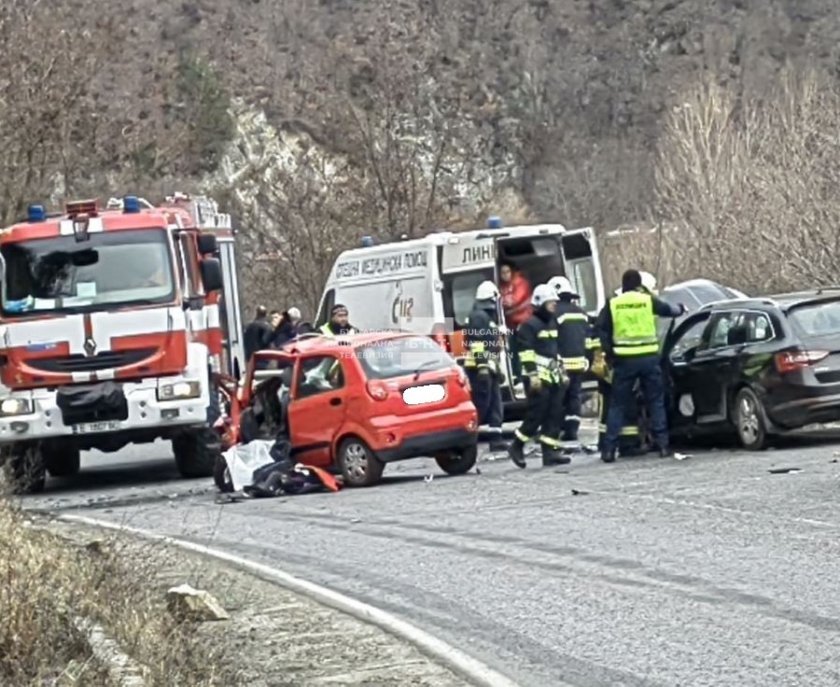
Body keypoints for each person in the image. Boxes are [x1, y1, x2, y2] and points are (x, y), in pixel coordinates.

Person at [596, 269, 685, 462]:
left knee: (617, 404)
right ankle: (663, 446)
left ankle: (609, 450)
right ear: (639, 284)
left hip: (624, 361)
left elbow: (601, 330)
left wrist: (609, 353)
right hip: (649, 359)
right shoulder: (647, 300)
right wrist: (681, 308)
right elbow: (669, 311)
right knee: (656, 402)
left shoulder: (613, 303)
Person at [508, 284, 569, 468]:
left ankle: (549, 453)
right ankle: (516, 446)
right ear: (540, 303)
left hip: (553, 376)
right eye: (551, 303)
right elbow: (525, 353)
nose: (554, 306)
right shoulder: (529, 325)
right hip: (537, 378)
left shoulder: (552, 322)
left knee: (555, 413)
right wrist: (533, 376)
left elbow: (554, 350)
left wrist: (562, 371)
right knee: (537, 414)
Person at [464, 281, 507, 452]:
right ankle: (468, 438)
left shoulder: (487, 317)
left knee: (496, 404)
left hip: (489, 368)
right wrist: (482, 366)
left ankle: (496, 438)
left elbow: (492, 347)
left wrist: (497, 369)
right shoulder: (478, 317)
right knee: (481, 404)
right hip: (479, 369)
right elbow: (477, 344)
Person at [547, 276, 589, 446]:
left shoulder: (555, 314)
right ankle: (572, 430)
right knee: (574, 396)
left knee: (558, 397)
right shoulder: (581, 313)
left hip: (561, 364)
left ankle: (556, 430)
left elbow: (550, 338)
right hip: (579, 362)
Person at [498, 260, 533, 385]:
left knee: (526, 350)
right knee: (512, 351)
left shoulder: (520, 282)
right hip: (510, 324)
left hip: (524, 322)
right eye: (502, 272)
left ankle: (529, 374)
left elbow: (514, 300)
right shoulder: (502, 286)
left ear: (512, 272)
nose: (505, 275)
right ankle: (517, 375)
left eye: (507, 272)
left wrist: (502, 302)